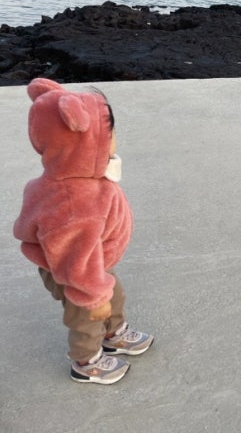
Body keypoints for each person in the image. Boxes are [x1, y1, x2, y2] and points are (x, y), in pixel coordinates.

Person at [14, 78, 153, 384]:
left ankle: (113, 332)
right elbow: (73, 258)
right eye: (110, 133)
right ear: (85, 140)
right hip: (75, 272)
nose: (115, 139)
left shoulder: (81, 176)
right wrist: (91, 295)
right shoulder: (74, 202)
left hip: (93, 262)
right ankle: (86, 361)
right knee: (86, 315)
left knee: (113, 295)